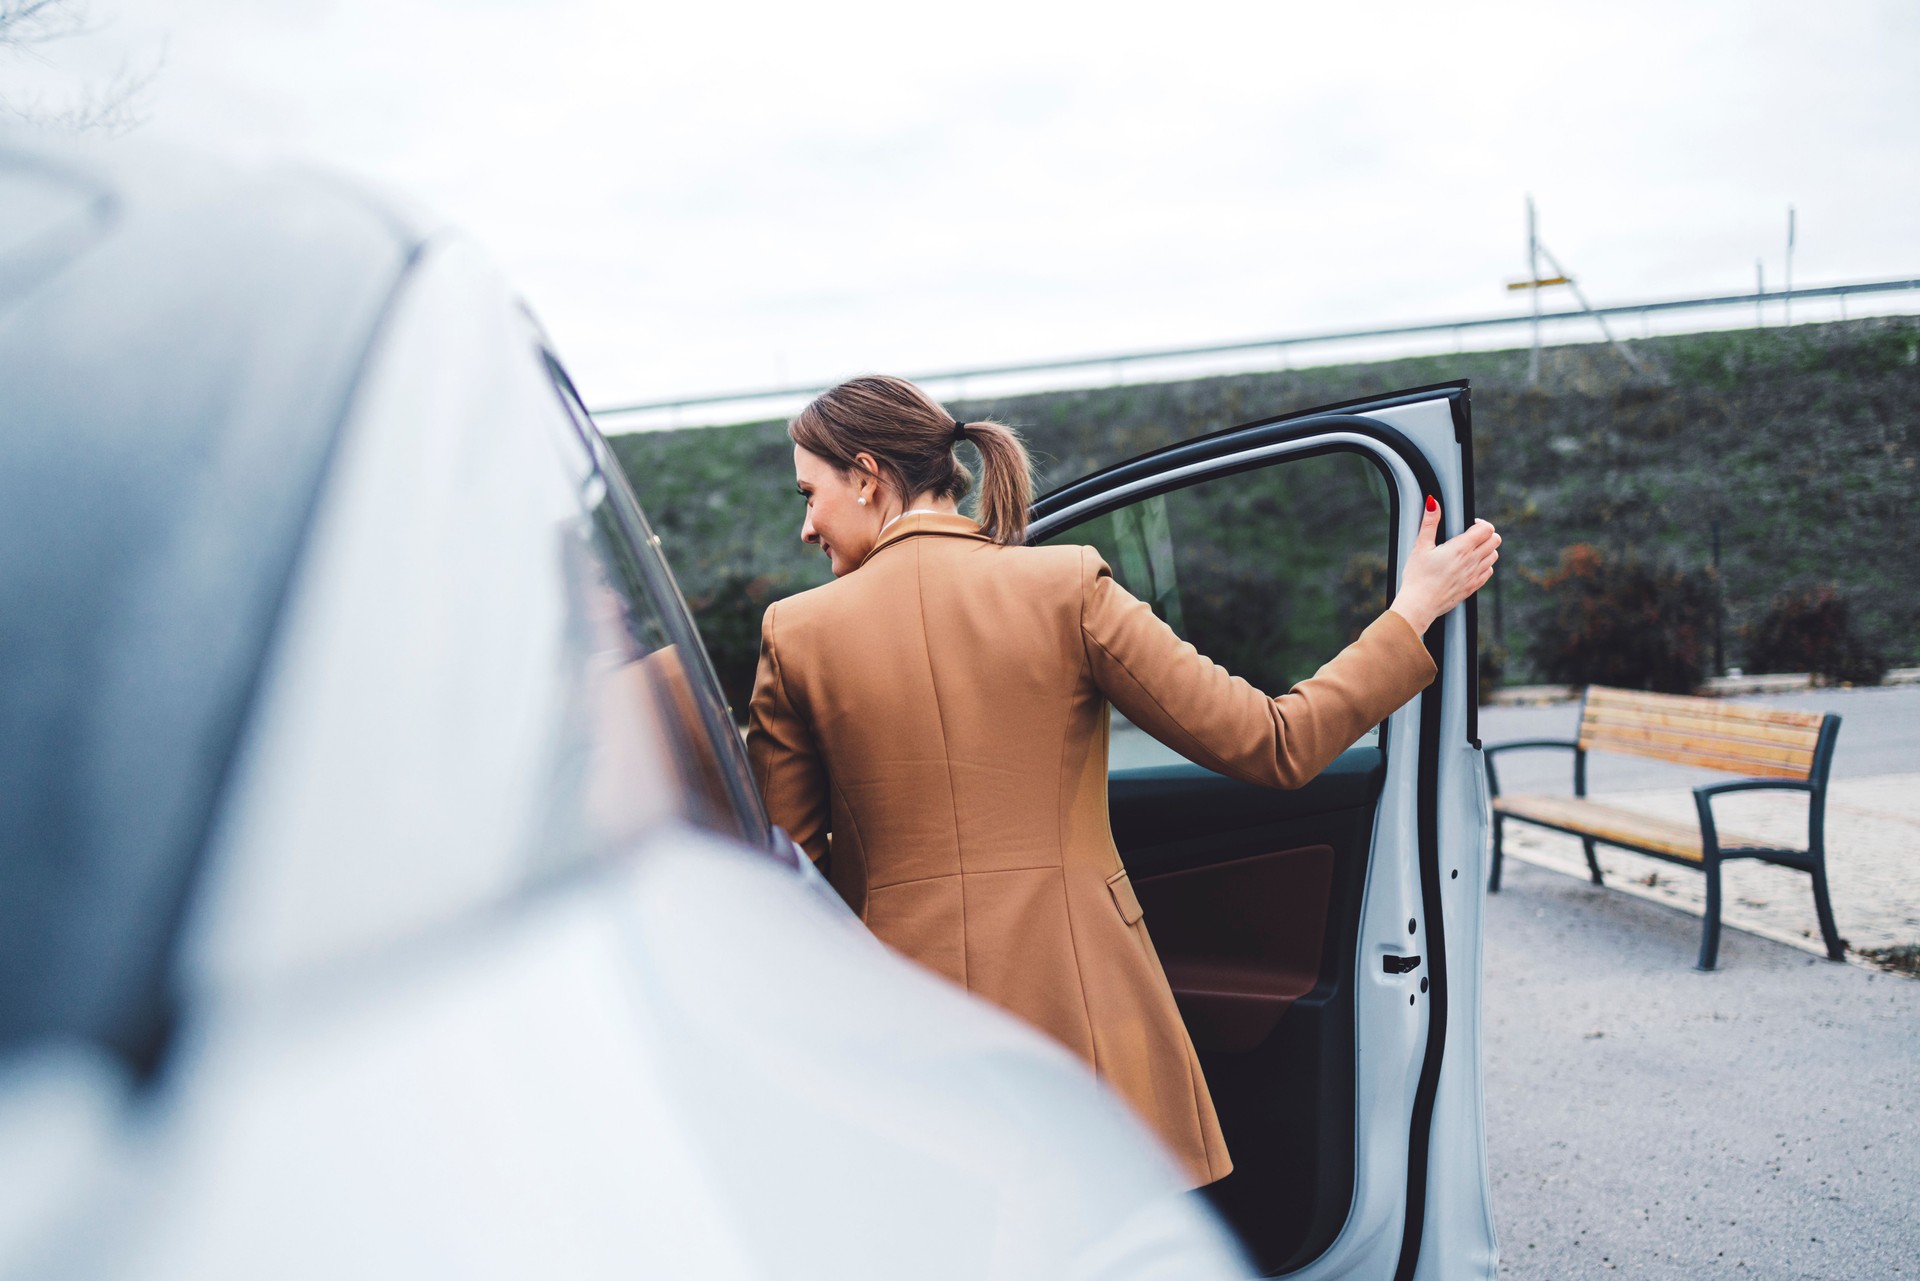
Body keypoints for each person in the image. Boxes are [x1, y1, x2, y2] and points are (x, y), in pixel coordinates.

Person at [745, 374, 1500, 1188]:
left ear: (865, 473)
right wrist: (1410, 612)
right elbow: (1273, 742)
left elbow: (789, 873)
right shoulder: (1063, 585)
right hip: (1085, 1017)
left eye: (809, 493)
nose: (805, 525)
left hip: (901, 1030)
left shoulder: (798, 633)